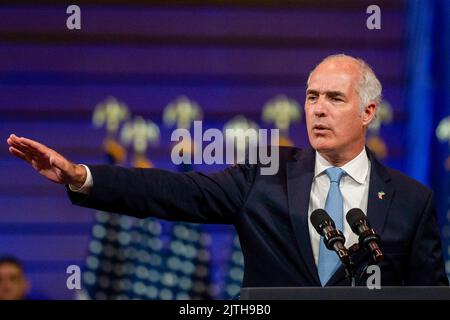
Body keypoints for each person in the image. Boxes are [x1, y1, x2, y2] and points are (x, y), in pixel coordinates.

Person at [7, 54, 448, 287]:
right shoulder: (266, 174)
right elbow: (177, 192)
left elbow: (429, 294)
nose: (318, 110)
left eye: (335, 98)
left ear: (369, 111)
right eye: (312, 97)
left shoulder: (411, 200)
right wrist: (82, 176)